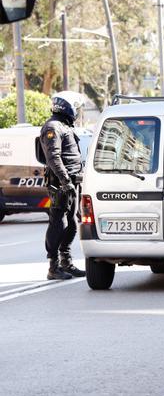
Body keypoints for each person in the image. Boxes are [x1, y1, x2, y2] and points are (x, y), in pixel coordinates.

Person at [40, 91, 86, 280]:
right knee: (58, 223)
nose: (77, 111)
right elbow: (53, 157)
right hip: (61, 183)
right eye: (76, 107)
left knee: (73, 224)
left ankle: (66, 262)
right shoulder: (53, 127)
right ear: (68, 107)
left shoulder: (64, 126)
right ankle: (53, 267)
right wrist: (65, 180)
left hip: (73, 182)